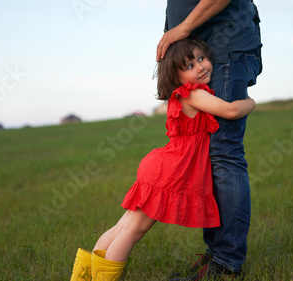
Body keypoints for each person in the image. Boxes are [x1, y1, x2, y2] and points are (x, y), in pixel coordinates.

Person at [69, 37, 256, 281]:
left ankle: (84, 277)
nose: (200, 67)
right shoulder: (193, 94)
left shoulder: (181, 95)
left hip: (161, 166)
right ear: (176, 76)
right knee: (133, 230)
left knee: (124, 226)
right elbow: (230, 111)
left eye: (202, 58)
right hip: (169, 171)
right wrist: (251, 102)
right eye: (189, 66)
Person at [156, 0, 263, 280]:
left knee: (224, 154)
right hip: (208, 45)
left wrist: (182, 29)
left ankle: (226, 261)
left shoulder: (204, 57)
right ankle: (217, 253)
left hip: (224, 45)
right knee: (211, 156)